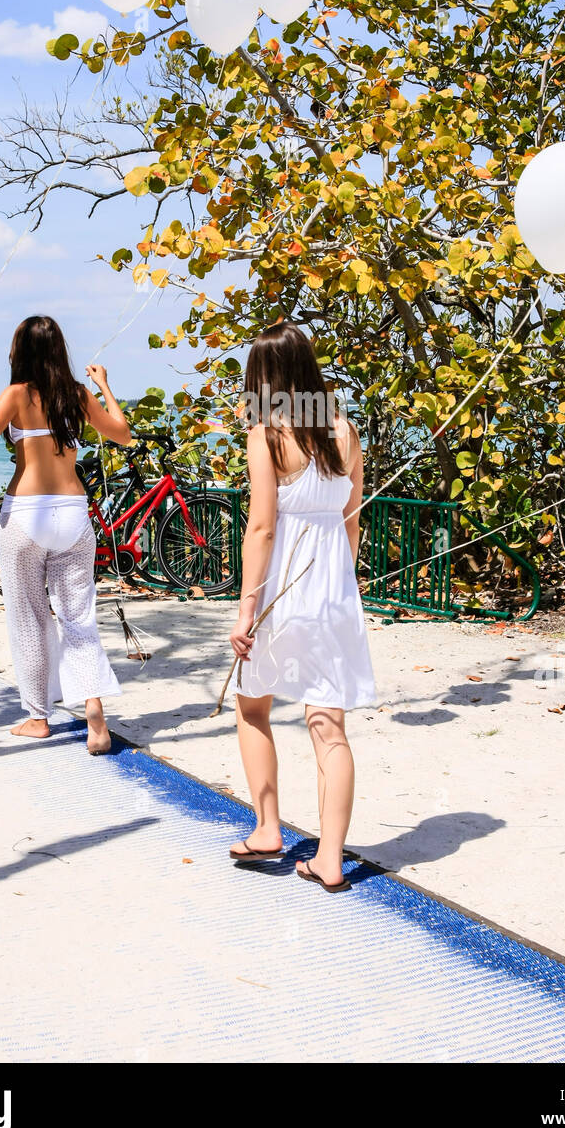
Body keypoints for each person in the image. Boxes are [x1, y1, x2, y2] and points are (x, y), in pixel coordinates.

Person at [0, 315, 131, 753]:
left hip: (26, 515)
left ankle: (38, 718)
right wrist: (103, 386)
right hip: (73, 516)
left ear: (20, 351)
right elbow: (123, 433)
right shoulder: (77, 395)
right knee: (77, 618)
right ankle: (94, 715)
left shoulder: (17, 395)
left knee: (28, 617)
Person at [229, 321, 376, 893]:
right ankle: (331, 858)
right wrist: (343, 584)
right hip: (334, 592)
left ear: (263, 377)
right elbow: (352, 520)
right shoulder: (345, 428)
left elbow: (262, 528)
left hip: (283, 594)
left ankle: (268, 828)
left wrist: (246, 610)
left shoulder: (267, 433)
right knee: (329, 728)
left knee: (251, 705)